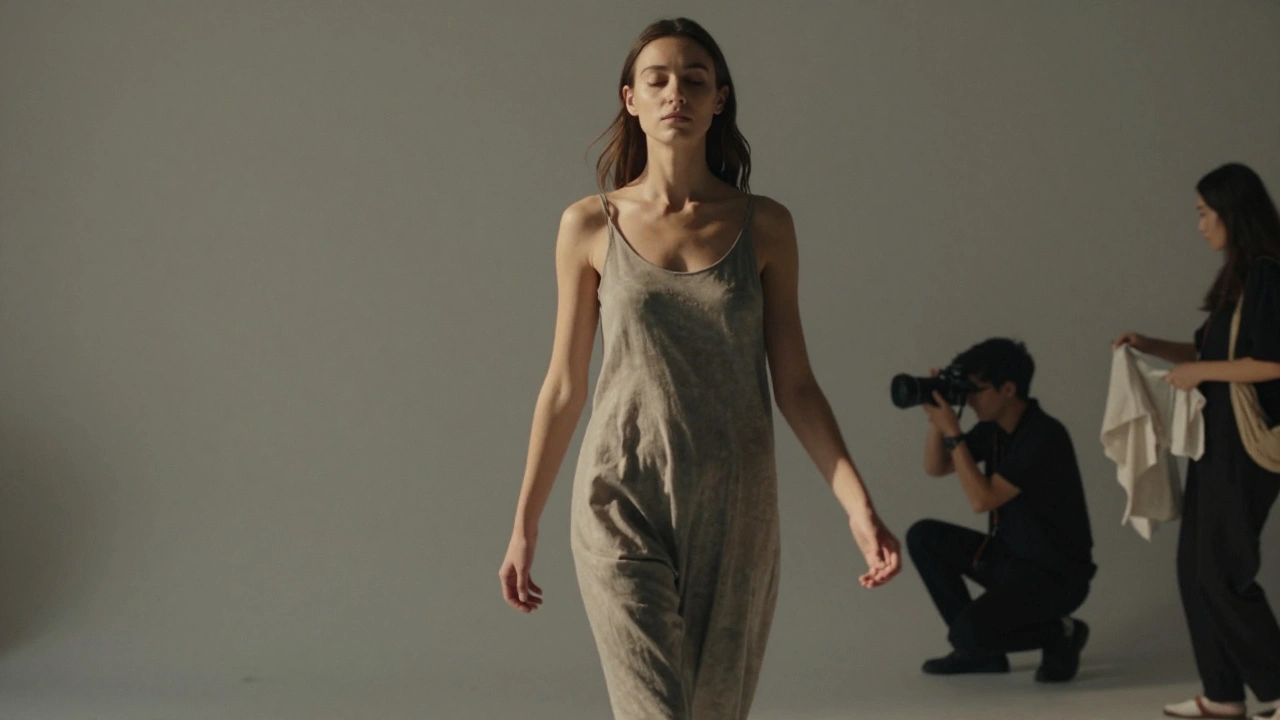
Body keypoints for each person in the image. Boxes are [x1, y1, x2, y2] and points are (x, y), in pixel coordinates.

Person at [495, 17, 901, 720]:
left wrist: (857, 507)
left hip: (736, 507)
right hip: (620, 494)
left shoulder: (765, 225)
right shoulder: (589, 226)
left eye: (694, 78)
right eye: (657, 79)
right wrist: (523, 521)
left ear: (720, 99)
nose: (674, 91)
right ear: (631, 99)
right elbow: (564, 384)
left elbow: (796, 383)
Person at [1115, 162, 1280, 720]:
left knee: (1223, 570)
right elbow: (1212, 356)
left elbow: (1271, 364)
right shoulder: (1238, 277)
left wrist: (1201, 375)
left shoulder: (1267, 273)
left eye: (1205, 213)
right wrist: (1153, 346)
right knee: (1194, 567)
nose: (1200, 225)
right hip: (1218, 443)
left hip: (1247, 446)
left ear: (1234, 213)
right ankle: (1223, 694)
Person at [907, 338, 1095, 683]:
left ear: (1008, 390)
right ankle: (982, 655)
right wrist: (938, 421)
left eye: (975, 390)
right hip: (1010, 559)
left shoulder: (1043, 436)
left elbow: (983, 499)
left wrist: (953, 431)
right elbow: (936, 467)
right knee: (923, 536)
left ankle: (1061, 633)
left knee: (966, 632)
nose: (970, 398)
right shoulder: (994, 430)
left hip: (1055, 575)